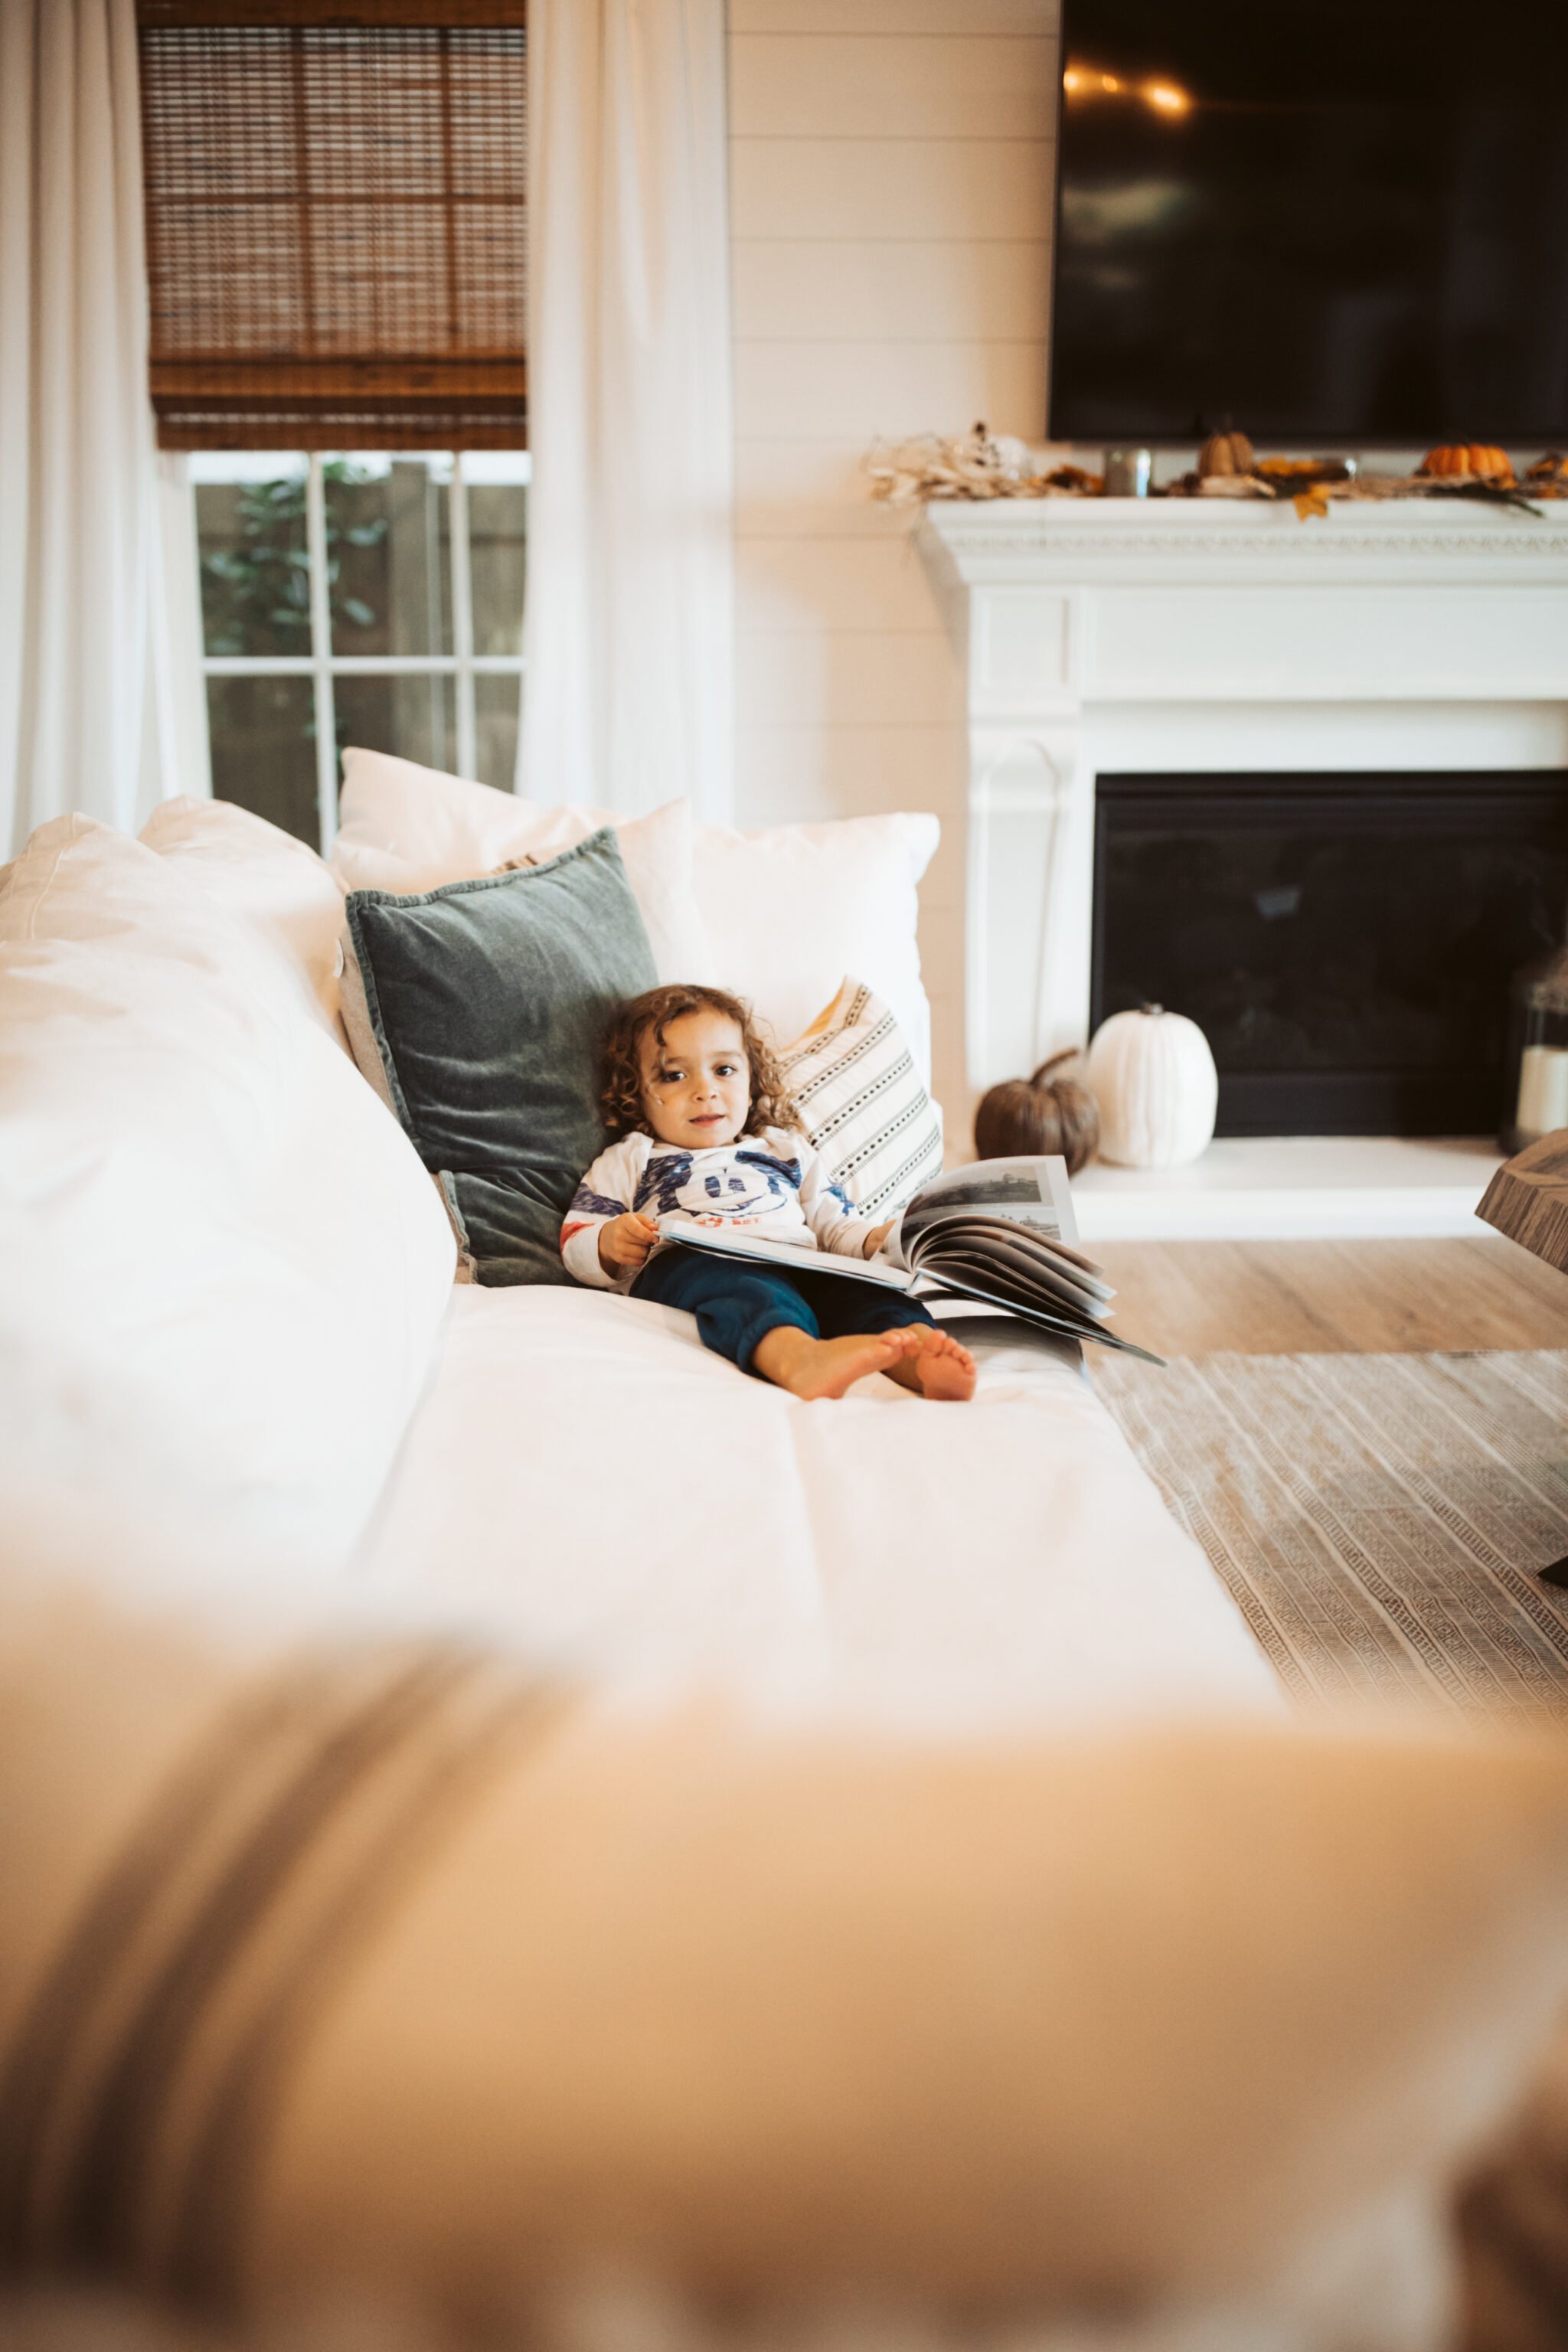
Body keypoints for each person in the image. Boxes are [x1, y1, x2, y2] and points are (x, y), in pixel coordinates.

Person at [562, 984, 976, 1402]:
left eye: (724, 1070)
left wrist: (876, 1238)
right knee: (747, 1291)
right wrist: (608, 1243)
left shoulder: (785, 1149)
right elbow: (577, 1233)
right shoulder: (633, 1156)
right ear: (637, 1093)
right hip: (701, 1260)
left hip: (799, 1259)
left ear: (751, 1078)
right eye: (673, 1075)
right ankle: (799, 1359)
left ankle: (917, 1354)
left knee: (865, 1290)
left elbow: (835, 1224)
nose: (705, 1090)